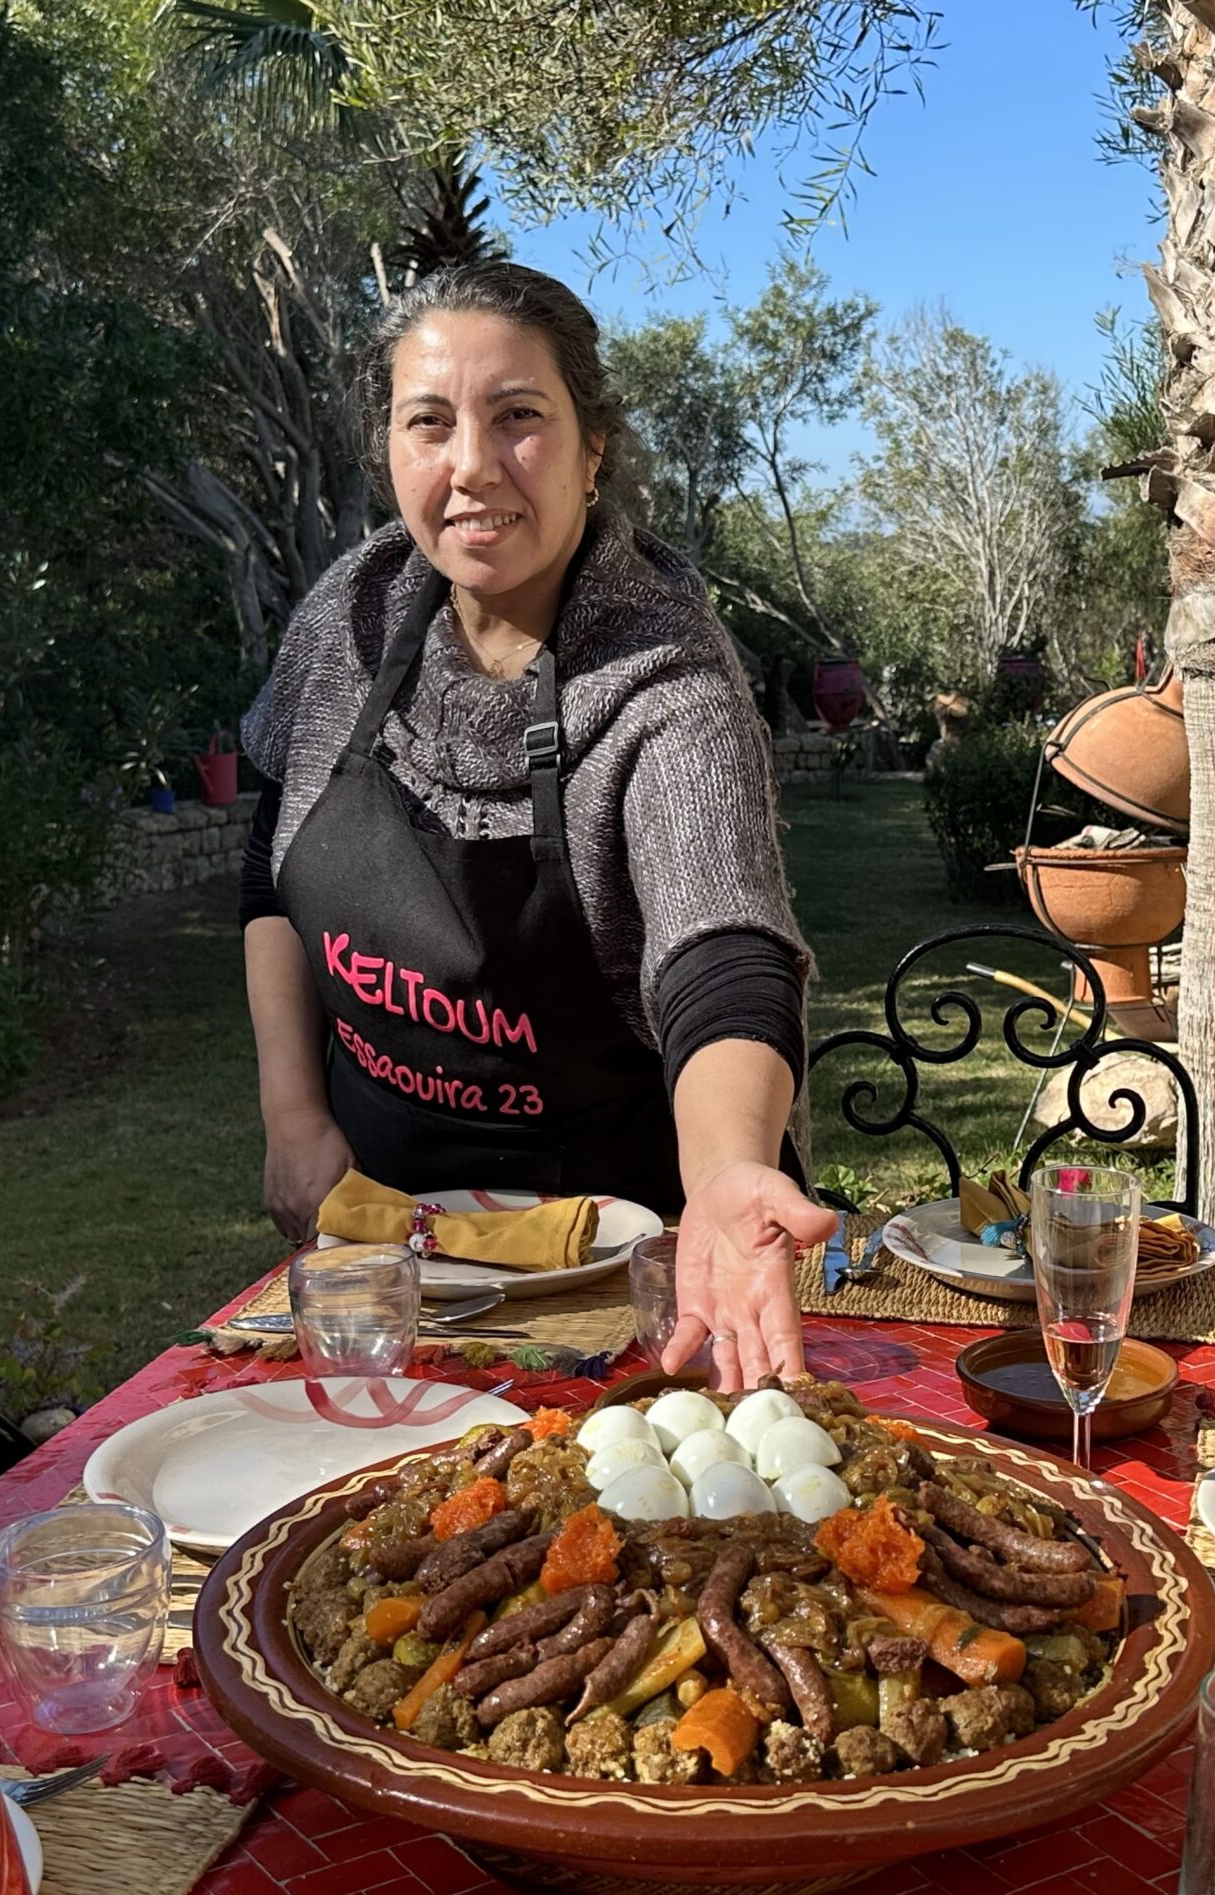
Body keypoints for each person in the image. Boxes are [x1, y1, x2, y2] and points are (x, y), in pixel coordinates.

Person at [238, 261, 832, 1391]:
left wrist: (725, 1177)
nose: (471, 467)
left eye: (518, 418)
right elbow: (270, 869)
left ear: (592, 447)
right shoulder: (345, 621)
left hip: (622, 1275)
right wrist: (291, 1112)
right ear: (392, 452)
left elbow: (724, 949)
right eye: (430, 425)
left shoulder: (666, 673)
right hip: (382, 1236)